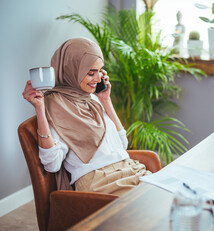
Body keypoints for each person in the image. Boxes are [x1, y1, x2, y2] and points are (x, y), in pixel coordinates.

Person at [22, 37, 151, 196]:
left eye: (100, 71)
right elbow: (52, 164)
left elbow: (122, 144)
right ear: (72, 70)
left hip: (130, 170)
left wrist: (106, 100)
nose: (98, 79)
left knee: (174, 195)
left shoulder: (93, 99)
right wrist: (40, 109)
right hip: (100, 182)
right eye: (91, 73)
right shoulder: (56, 104)